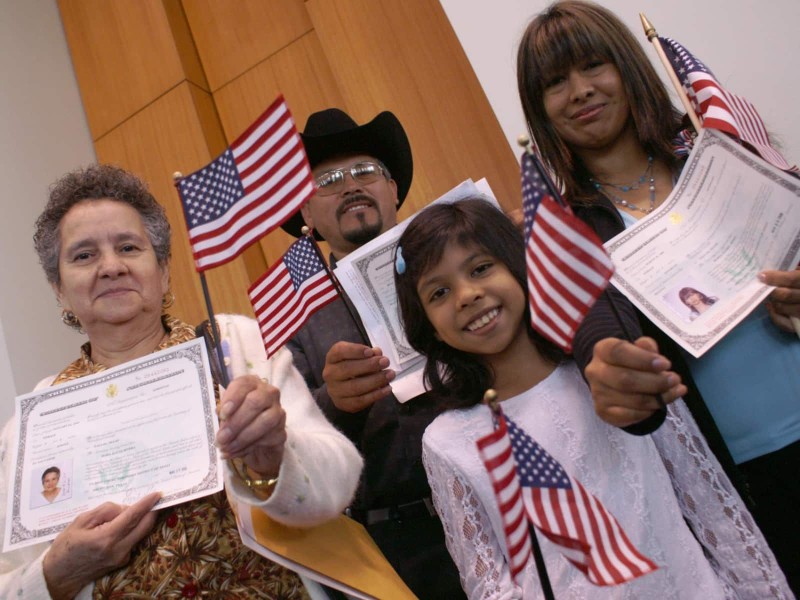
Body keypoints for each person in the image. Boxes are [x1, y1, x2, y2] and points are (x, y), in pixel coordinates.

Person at [517, 0, 800, 591]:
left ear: (627, 65)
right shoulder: (570, 235)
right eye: (553, 84)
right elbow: (594, 332)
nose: (579, 91)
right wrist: (611, 373)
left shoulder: (724, 154)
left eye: (593, 65)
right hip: (748, 483)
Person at [393, 198, 788, 598]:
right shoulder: (447, 442)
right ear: (430, 328)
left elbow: (710, 506)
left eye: (480, 269)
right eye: (439, 292)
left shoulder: (610, 371)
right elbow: (488, 584)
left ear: (521, 267)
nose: (466, 295)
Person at [0, 164, 363, 598]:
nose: (111, 267)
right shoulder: (36, 423)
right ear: (59, 288)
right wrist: (55, 574)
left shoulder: (231, 346)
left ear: (164, 269)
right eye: (84, 255)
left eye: (129, 247)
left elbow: (341, 480)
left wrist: (276, 459)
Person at [281, 108, 465, 598]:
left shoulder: (463, 266)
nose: (350, 186)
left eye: (365, 171)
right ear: (306, 215)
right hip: (396, 552)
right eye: (329, 180)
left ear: (394, 189)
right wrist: (333, 402)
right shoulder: (297, 316)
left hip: (501, 505)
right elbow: (292, 444)